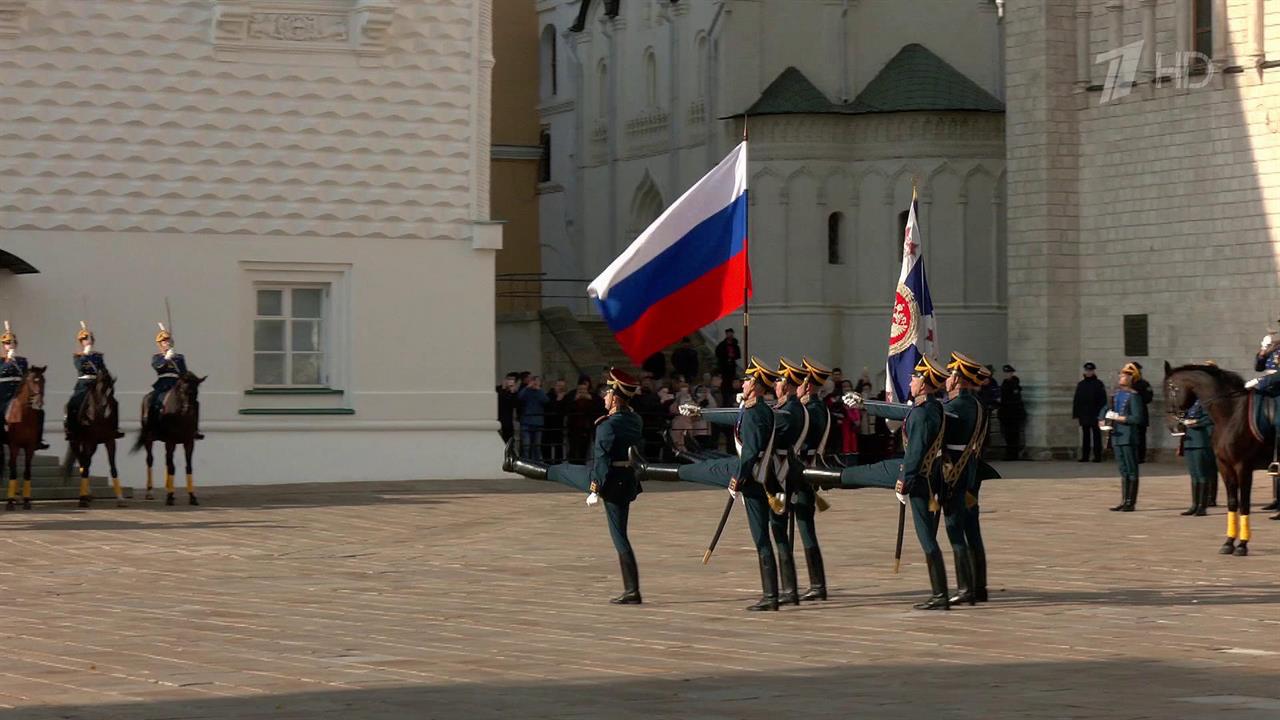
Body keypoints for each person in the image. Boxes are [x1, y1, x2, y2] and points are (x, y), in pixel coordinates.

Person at [632, 357, 788, 611]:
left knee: (760, 538)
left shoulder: (755, 413)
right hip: (759, 477)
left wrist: (739, 477)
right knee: (762, 536)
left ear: (758, 386)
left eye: (749, 380)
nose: (744, 383)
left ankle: (771, 596)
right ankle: (772, 594)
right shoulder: (756, 410)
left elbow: (750, 452)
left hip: (753, 479)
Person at [504, 369, 646, 604]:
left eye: (608, 394)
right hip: (626, 479)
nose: (604, 398)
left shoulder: (606, 426)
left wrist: (594, 488)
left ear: (616, 397)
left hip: (606, 480)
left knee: (561, 471)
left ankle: (514, 464)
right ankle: (632, 590)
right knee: (620, 533)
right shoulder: (634, 420)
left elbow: (601, 460)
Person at [942, 352, 991, 605]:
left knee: (955, 530)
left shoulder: (954, 407)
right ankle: (979, 586)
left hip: (955, 474)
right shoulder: (979, 404)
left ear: (957, 378)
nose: (947, 379)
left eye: (950, 374)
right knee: (973, 530)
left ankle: (964, 589)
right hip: (972, 472)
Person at [795, 357, 834, 602]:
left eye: (798, 382)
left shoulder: (811, 410)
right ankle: (815, 584)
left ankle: (817, 585)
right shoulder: (815, 407)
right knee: (804, 526)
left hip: (802, 472)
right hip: (802, 471)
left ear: (808, 384)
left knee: (805, 527)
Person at [143, 325, 203, 440]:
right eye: (164, 342)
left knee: (194, 402)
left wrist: (174, 359)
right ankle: (151, 429)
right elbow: (157, 367)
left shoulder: (179, 357)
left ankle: (194, 429)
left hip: (177, 384)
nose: (167, 343)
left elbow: (183, 372)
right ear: (160, 344)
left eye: (168, 341)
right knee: (151, 400)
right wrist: (166, 358)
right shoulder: (157, 357)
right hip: (163, 383)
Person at [1100, 363, 1147, 512]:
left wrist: (1119, 418)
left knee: (1131, 469)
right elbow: (1105, 409)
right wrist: (1102, 419)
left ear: (1131, 378)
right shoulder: (1116, 395)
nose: (1121, 377)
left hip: (1128, 437)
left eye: (1124, 375)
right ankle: (1123, 500)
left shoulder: (1134, 397)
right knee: (1123, 469)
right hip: (1117, 436)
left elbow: (1138, 418)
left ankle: (1130, 502)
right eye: (1121, 375)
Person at [65, 323, 124, 440]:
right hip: (84, 384)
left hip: (97, 383)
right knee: (72, 403)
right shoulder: (78, 356)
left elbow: (103, 368)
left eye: (89, 338)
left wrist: (108, 378)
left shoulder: (98, 356)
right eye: (85, 339)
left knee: (114, 403)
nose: (88, 341)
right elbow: (79, 367)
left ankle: (114, 428)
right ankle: (71, 429)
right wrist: (85, 355)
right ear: (81, 342)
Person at [0, 323, 47, 451]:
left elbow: (26, 376)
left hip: (19, 390)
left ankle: (38, 438)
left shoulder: (22, 361)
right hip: (4, 392)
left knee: (39, 413)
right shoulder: (1, 360)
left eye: (13, 342)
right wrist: (8, 361)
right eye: (7, 343)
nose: (10, 344)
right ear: (3, 345)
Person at [1179, 394, 1215, 517]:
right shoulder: (1189, 403)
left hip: (1201, 441)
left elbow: (1210, 418)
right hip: (1189, 441)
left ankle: (1202, 506)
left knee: (1202, 474)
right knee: (1194, 475)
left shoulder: (1205, 401)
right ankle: (1194, 504)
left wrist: (1195, 421)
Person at [1072, 362, 1107, 462]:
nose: (1088, 372)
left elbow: (1102, 400)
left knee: (1096, 436)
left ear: (1093, 371)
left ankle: (1097, 456)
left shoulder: (1098, 384)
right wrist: (1076, 414)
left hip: (1095, 414)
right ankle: (1085, 456)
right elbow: (1077, 400)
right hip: (1084, 414)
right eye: (1087, 370)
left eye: (1090, 371)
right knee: (1085, 435)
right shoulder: (1081, 384)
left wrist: (1101, 415)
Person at [517, 376, 549, 461]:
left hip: (538, 423)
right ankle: (526, 463)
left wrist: (539, 390)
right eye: (533, 381)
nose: (535, 383)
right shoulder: (526, 391)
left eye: (537, 381)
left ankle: (537, 464)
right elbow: (520, 397)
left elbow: (546, 401)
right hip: (526, 422)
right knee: (526, 446)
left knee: (537, 447)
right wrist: (527, 387)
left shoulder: (541, 392)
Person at [998, 364, 1025, 461]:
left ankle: (1013, 454)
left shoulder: (1014, 384)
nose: (1007, 375)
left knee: (1014, 435)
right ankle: (1009, 454)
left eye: (1008, 373)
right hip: (1005, 414)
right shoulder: (1004, 384)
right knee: (1007, 435)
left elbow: (1015, 400)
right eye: (1005, 373)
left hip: (1013, 414)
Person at [1131, 362, 1153, 463]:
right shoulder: (1126, 384)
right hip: (1128, 414)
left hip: (1140, 413)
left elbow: (1148, 398)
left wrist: (1137, 395)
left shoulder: (1144, 384)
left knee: (1140, 436)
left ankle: (1140, 457)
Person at [544, 379, 568, 462]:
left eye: (563, 387)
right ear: (555, 386)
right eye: (559, 386)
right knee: (547, 445)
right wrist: (558, 400)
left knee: (559, 445)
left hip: (559, 424)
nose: (560, 388)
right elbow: (549, 407)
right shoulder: (548, 396)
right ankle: (547, 463)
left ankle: (559, 462)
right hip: (548, 423)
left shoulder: (566, 397)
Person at [714, 329, 741, 395]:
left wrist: (733, 356)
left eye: (731, 334)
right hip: (724, 366)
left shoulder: (735, 345)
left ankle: (730, 394)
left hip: (732, 366)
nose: (730, 335)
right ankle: (725, 395)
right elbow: (718, 354)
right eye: (728, 334)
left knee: (731, 381)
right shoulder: (722, 345)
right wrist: (726, 356)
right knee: (725, 382)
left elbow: (738, 355)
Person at [496, 373, 519, 442]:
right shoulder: (498, 389)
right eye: (508, 380)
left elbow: (515, 405)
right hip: (498, 418)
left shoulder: (513, 392)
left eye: (512, 380)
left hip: (508, 421)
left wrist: (513, 392)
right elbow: (499, 400)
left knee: (508, 439)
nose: (509, 382)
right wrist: (503, 389)